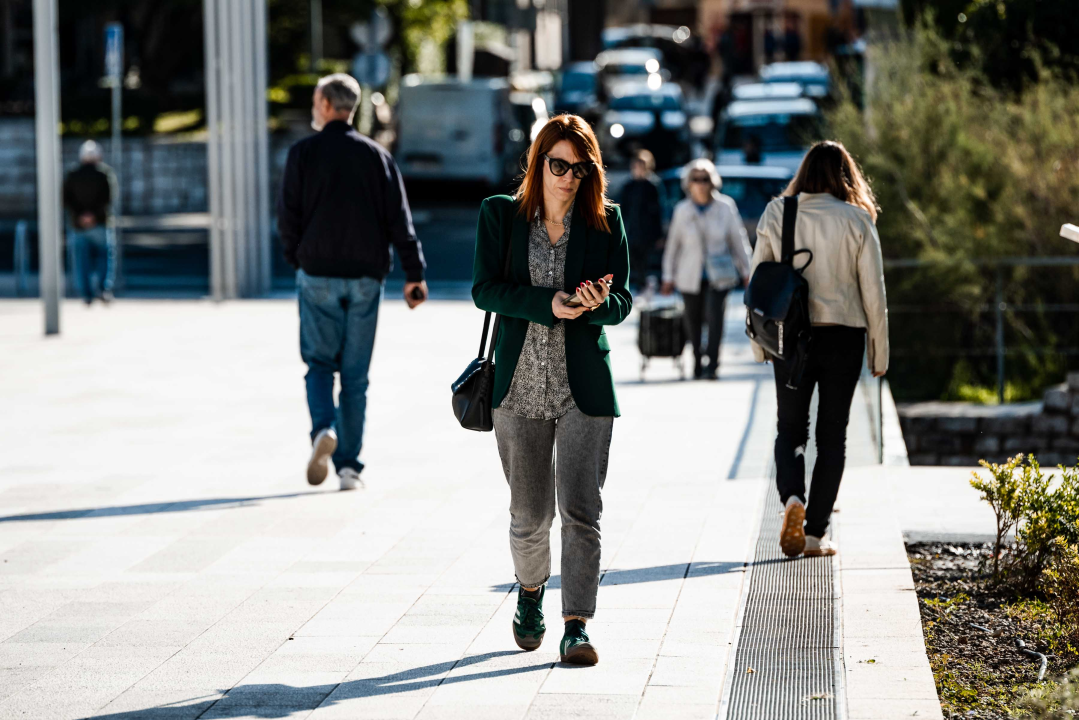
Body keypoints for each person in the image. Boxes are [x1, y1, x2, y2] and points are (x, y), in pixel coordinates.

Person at [472, 114, 631, 666]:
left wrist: (592, 304)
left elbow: (622, 300)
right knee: (530, 516)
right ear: (539, 161)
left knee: (582, 512)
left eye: (580, 168)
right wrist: (549, 304)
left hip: (582, 389)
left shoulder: (606, 222)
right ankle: (531, 592)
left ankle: (577, 626)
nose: (568, 176)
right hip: (517, 388)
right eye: (559, 165)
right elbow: (484, 290)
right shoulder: (501, 215)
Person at [277, 73, 428, 491]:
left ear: (327, 105)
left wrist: (297, 258)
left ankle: (323, 428)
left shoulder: (302, 153)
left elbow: (287, 217)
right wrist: (414, 274)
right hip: (365, 278)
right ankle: (349, 469)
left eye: (315, 100)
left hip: (318, 275)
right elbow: (400, 219)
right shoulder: (377, 156)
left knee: (320, 365)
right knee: (356, 378)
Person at [749, 140, 888, 558]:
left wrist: (761, 347)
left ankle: (793, 498)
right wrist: (879, 353)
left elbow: (759, 283)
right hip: (844, 337)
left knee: (790, 428)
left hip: (791, 337)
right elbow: (874, 295)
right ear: (847, 176)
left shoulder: (778, 212)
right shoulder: (857, 219)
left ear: (804, 172)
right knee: (833, 437)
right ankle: (815, 533)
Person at [661, 158, 751, 379]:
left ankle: (713, 362)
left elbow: (738, 240)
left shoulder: (725, 207)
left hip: (719, 275)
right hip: (689, 274)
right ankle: (697, 359)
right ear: (688, 183)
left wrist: (748, 271)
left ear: (713, 182)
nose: (700, 183)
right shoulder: (682, 210)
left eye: (705, 179)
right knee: (691, 319)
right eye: (696, 179)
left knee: (715, 317)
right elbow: (673, 245)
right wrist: (667, 276)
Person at [63, 141, 117, 305]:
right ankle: (103, 289)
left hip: (78, 224)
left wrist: (81, 215)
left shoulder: (73, 174)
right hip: (100, 222)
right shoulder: (104, 173)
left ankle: (86, 295)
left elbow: (66, 199)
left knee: (82, 261)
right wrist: (92, 214)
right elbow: (108, 197)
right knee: (103, 257)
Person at [618, 149, 664, 287]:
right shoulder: (628, 186)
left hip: (648, 232)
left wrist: (660, 234)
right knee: (632, 260)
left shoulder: (653, 185)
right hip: (631, 230)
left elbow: (659, 211)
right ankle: (638, 285)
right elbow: (622, 210)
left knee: (647, 262)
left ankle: (646, 286)